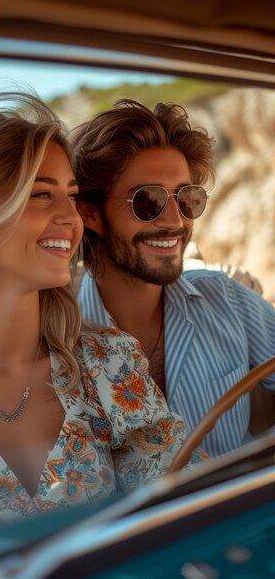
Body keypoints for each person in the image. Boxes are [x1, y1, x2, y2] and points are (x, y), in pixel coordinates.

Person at [0, 92, 205, 538]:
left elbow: (187, 511)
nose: (71, 218)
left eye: (72, 196)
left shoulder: (106, 364)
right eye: (41, 195)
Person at [72, 99, 275, 459]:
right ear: (91, 214)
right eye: (147, 201)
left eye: (187, 199)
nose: (174, 221)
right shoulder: (60, 338)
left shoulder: (228, 300)